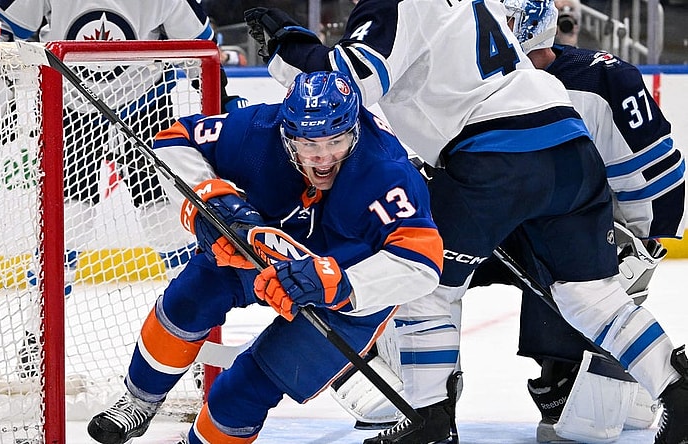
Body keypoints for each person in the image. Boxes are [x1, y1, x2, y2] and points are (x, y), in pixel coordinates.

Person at [244, 3, 688, 444]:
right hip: (568, 147)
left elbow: (348, 81)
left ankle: (430, 420)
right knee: (591, 297)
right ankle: (679, 390)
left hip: (493, 155)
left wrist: (288, 46)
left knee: (420, 279)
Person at [85, 70, 445, 444]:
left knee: (244, 391)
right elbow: (174, 140)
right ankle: (138, 402)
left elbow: (421, 263)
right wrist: (210, 201)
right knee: (190, 299)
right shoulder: (258, 130)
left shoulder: (387, 171)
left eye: (336, 141)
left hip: (343, 293)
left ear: (354, 130)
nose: (323, 158)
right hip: (259, 251)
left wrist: (344, 282)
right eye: (308, 143)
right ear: (287, 134)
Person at [0, 0, 248, 378]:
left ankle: (193, 337)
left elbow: (203, 50)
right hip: (68, 103)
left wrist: (222, 103)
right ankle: (39, 336)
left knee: (164, 221)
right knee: (67, 223)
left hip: (145, 103)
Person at [471, 0, 686, 441]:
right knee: (427, 271)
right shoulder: (481, 80)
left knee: (574, 413)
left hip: (589, 231)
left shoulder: (602, 80)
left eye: (504, 20)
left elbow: (659, 175)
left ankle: (633, 386)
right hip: (525, 220)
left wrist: (642, 246)